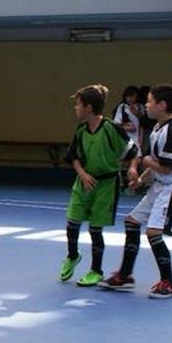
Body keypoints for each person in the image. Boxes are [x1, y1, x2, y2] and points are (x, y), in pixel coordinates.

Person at [99, 84, 172, 299]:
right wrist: (141, 180)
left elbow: (167, 167)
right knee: (132, 221)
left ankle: (168, 282)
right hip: (159, 186)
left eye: (150, 101)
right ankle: (125, 275)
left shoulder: (171, 131)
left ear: (162, 105)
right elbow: (154, 164)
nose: (146, 105)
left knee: (153, 232)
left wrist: (147, 162)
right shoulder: (158, 129)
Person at [59, 84, 139, 287]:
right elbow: (73, 157)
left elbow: (133, 151)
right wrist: (83, 174)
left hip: (106, 185)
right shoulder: (81, 130)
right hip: (84, 182)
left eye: (78, 104)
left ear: (88, 107)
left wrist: (132, 168)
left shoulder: (111, 129)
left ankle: (96, 270)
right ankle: (72, 256)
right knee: (72, 222)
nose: (75, 108)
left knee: (95, 229)